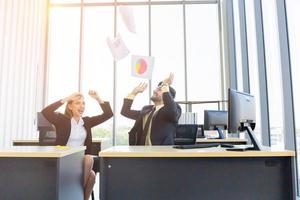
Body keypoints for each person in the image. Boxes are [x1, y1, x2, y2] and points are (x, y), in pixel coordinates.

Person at [41, 90, 113, 200]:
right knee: (89, 161)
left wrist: (98, 98)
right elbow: (46, 112)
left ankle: (77, 197)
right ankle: (77, 195)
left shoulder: (87, 122)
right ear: (70, 106)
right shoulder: (62, 120)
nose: (82, 106)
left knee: (92, 174)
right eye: (78, 103)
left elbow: (108, 114)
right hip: (65, 160)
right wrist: (66, 98)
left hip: (81, 162)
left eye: (83, 103)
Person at [121, 73, 182, 145]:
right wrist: (133, 93)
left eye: (159, 90)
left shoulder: (174, 109)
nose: (155, 91)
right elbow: (125, 111)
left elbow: (172, 112)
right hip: (141, 152)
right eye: (156, 88)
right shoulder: (146, 109)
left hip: (161, 153)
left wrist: (165, 86)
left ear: (167, 95)